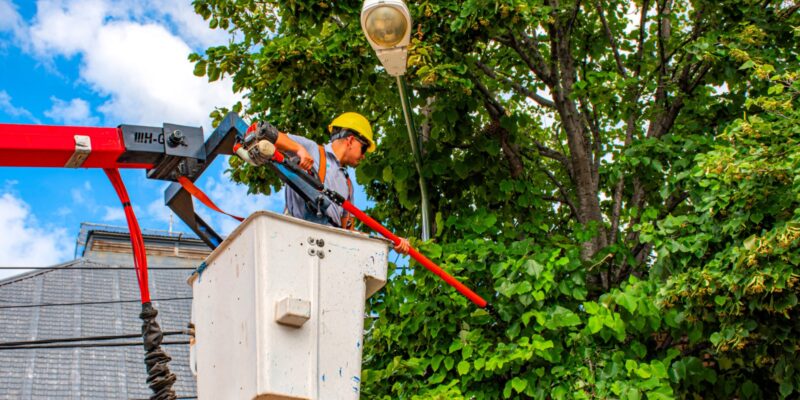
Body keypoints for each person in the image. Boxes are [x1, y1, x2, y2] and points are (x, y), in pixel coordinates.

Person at [251, 112, 410, 255]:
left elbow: (349, 234)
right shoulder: (313, 150)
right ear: (351, 140)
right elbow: (263, 132)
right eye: (364, 149)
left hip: (327, 250)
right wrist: (299, 150)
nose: (363, 157)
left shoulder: (348, 186)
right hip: (298, 237)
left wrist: (391, 242)